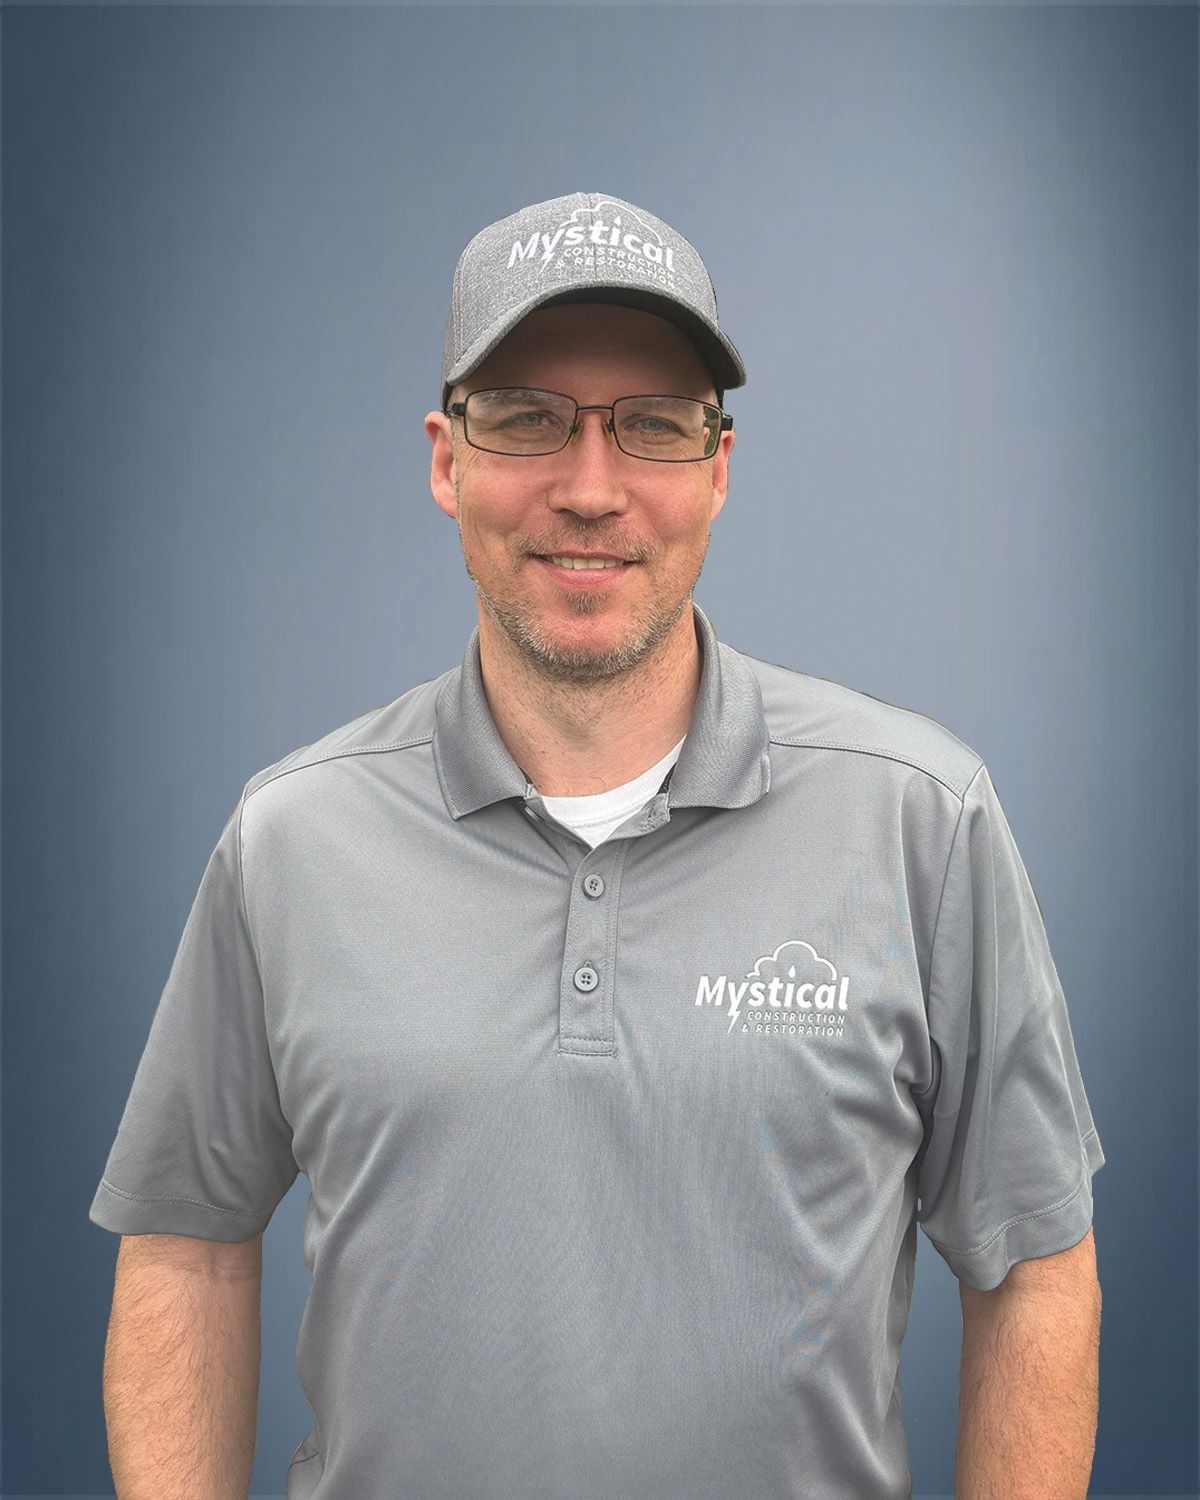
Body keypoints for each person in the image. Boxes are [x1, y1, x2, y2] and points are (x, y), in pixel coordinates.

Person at [89, 191, 1105, 1500]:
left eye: (652, 427)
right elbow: (188, 1249)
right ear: (446, 459)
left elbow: (1034, 1269)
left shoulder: (921, 819)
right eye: (526, 419)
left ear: (720, 466)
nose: (589, 488)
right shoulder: (290, 839)